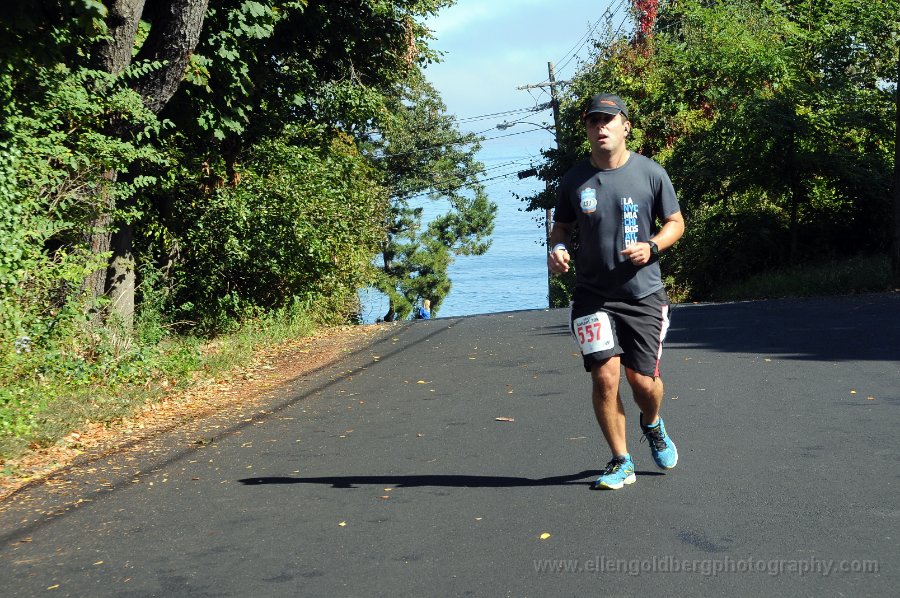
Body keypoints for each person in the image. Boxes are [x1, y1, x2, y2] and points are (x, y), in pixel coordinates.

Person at [547, 93, 685, 490]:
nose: (600, 127)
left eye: (608, 120)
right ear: (587, 130)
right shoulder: (574, 180)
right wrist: (557, 249)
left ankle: (652, 423)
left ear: (626, 126)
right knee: (605, 377)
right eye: (593, 121)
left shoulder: (651, 173)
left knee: (642, 383)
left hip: (643, 296)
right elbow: (561, 228)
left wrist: (653, 246)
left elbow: (675, 222)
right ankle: (621, 460)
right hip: (592, 296)